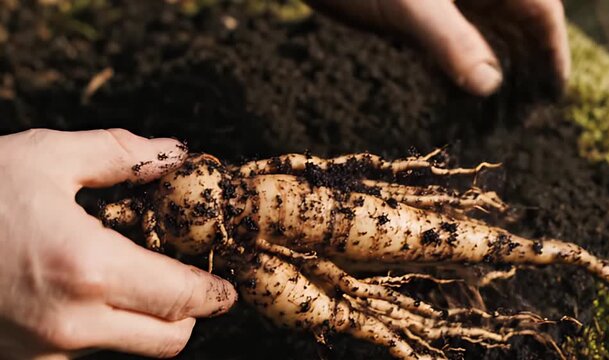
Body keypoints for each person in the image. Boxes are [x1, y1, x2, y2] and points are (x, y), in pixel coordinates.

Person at [0, 0, 568, 359]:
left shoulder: (254, 187)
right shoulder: (245, 251)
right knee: (351, 312)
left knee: (383, 223)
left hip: (259, 203)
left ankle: (542, 253)